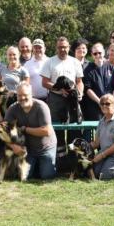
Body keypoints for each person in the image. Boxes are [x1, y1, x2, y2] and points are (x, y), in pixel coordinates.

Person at [41, 36, 85, 164]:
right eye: (60, 47)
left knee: (74, 129)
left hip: (72, 100)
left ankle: (73, 160)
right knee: (57, 130)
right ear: (56, 48)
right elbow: (44, 82)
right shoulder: (49, 62)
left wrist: (80, 92)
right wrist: (58, 90)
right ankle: (60, 161)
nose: (63, 50)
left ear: (69, 47)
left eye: (65, 47)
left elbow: (79, 81)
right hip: (55, 99)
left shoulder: (75, 62)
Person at [4, 82, 58, 180]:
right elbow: (3, 130)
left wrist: (25, 129)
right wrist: (13, 145)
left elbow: (46, 131)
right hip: (27, 150)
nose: (22, 98)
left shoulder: (41, 107)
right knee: (24, 177)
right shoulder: (12, 109)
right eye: (19, 95)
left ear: (31, 94)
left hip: (45, 148)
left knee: (47, 176)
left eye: (25, 95)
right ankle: (35, 166)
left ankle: (42, 165)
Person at [82, 42, 114, 123]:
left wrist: (110, 100)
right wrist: (100, 102)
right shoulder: (88, 70)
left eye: (100, 53)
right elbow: (88, 89)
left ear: (104, 53)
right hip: (94, 107)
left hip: (110, 106)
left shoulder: (111, 68)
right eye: (95, 53)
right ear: (92, 55)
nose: (98, 55)